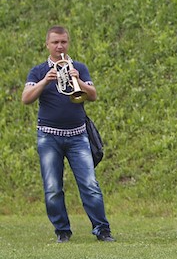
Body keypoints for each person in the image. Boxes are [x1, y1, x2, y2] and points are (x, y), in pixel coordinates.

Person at [21, 26, 114, 243]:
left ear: (68, 43)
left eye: (63, 42)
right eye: (55, 42)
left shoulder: (79, 67)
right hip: (48, 137)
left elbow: (92, 95)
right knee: (53, 187)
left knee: (90, 185)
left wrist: (78, 80)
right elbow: (26, 98)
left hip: (77, 136)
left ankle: (102, 230)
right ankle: (62, 230)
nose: (59, 46)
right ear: (47, 44)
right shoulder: (38, 71)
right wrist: (45, 81)